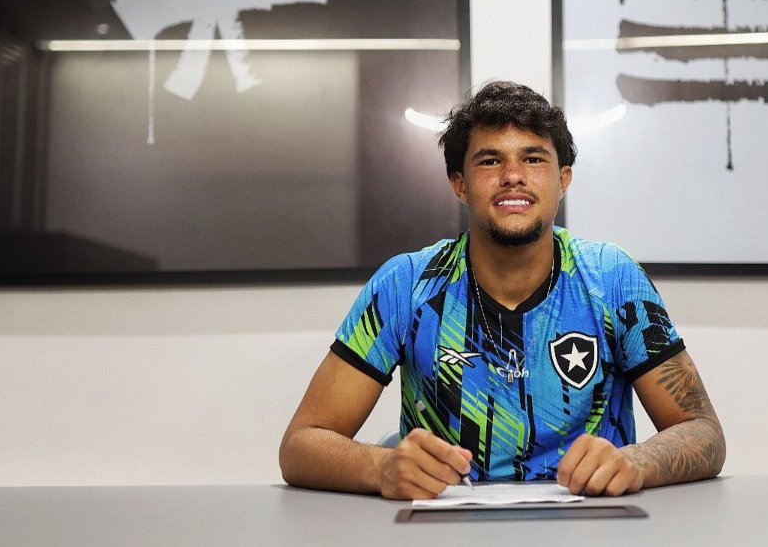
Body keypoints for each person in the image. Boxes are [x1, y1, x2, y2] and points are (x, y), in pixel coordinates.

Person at [279, 81, 724, 499]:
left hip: (593, 528)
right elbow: (301, 445)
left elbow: (704, 431)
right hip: (446, 533)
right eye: (490, 161)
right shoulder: (406, 284)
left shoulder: (613, 278)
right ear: (460, 184)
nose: (513, 175)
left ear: (563, 180)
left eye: (533, 159)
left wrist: (639, 462)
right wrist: (382, 468)